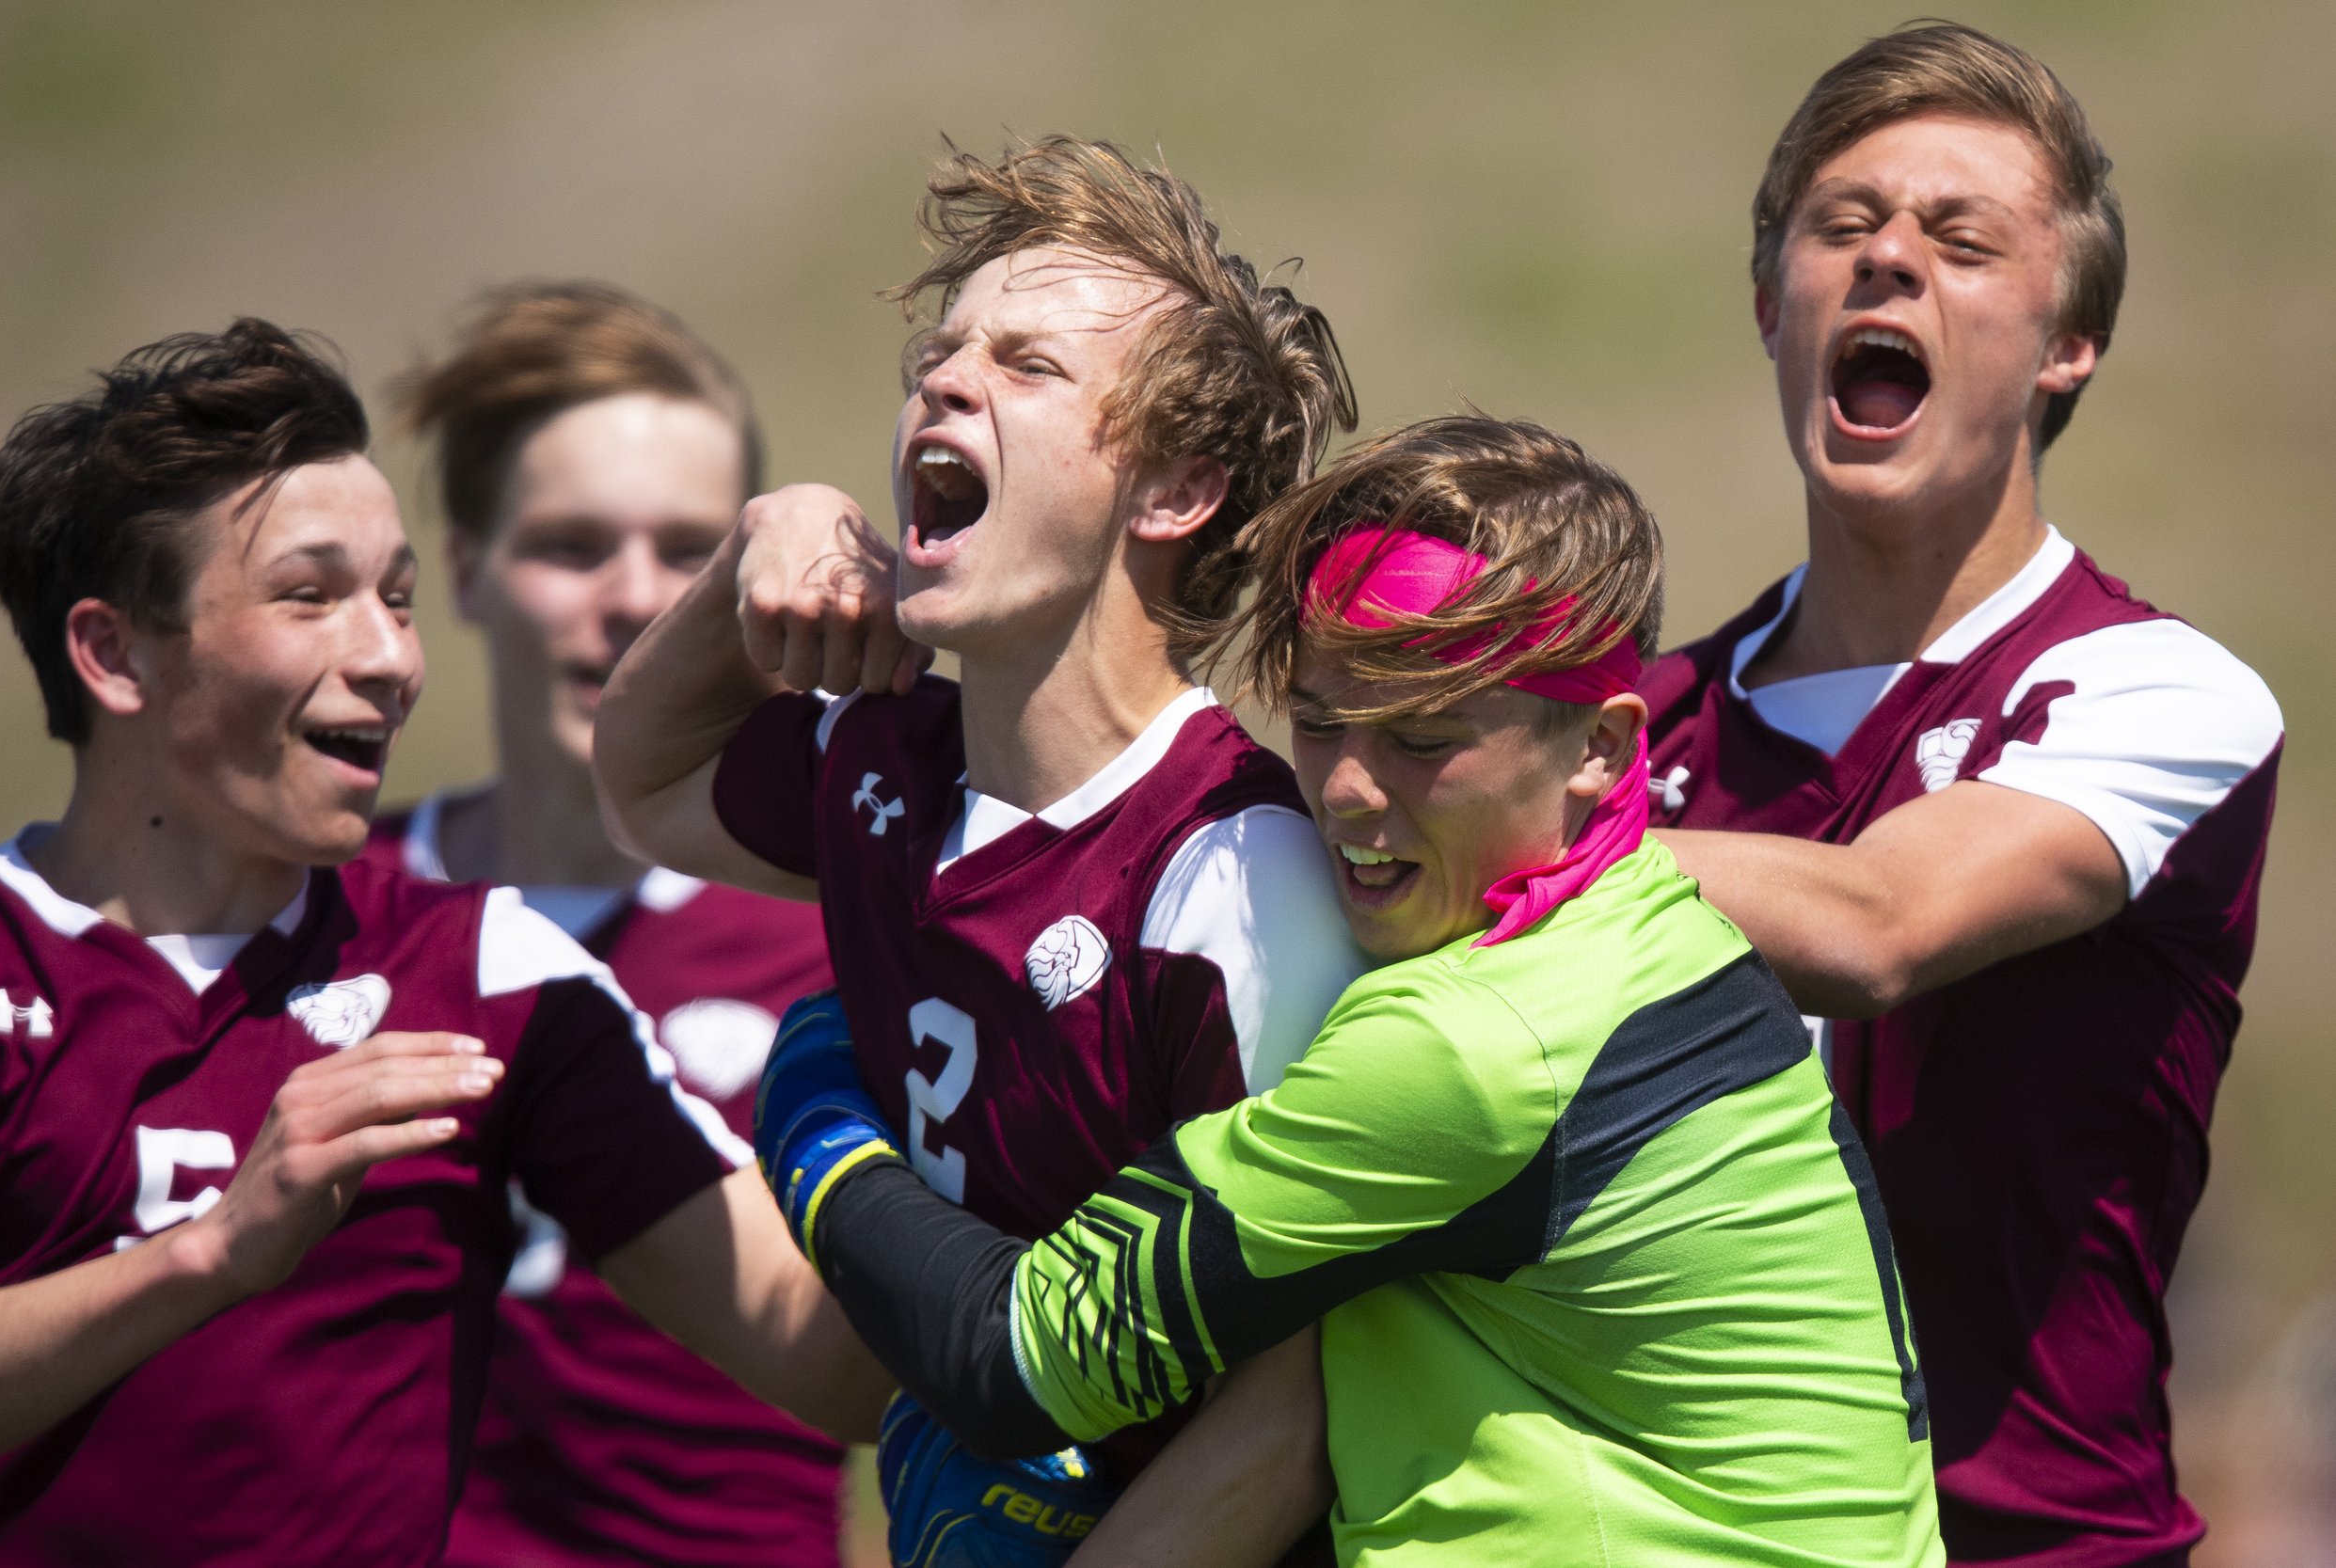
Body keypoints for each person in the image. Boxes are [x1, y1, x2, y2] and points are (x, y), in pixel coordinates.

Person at [755, 414, 1948, 1567]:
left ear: (1599, 747)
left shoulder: (1472, 1045)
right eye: (1322, 723)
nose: (1350, 794)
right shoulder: (1643, 925)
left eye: (1425, 738)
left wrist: (815, 1119)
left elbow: (1014, 1357)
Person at [0, 320, 885, 1567]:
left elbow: (822, 1357)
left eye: (396, 600)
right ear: (112, 650)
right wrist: (212, 1254)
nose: (393, 658)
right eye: (311, 595)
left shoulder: (490, 976)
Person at [596, 135, 1368, 1560]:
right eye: (941, 355)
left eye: (1028, 366)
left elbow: (1303, 1402)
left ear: (1173, 493)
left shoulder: (1232, 879)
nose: (944, 382)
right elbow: (641, 778)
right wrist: (756, 544)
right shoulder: (890, 757)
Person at [1640, 24, 2283, 1566]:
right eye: (1842, 227)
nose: (1887, 263)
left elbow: (1878, 923)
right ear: (1768, 305)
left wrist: (1470, 836)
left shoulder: (2160, 697)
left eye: (1962, 238)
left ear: (2069, 340)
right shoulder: (1638, 731)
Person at [364, 282, 847, 1567]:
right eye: (572, 544)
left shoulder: (848, 936)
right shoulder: (315, 906)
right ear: (459, 569)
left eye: (690, 548)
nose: (634, 596)